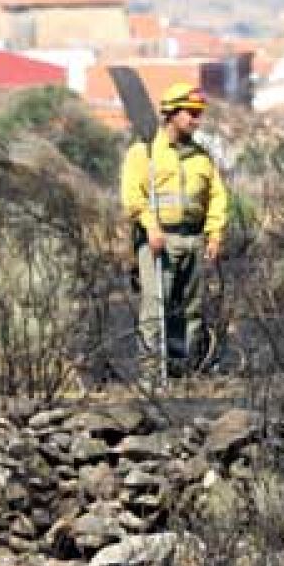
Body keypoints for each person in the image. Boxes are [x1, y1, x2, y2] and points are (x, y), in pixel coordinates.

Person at [120, 81, 229, 377]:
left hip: (194, 239)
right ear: (171, 113)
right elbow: (133, 196)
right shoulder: (144, 152)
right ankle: (153, 375)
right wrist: (151, 227)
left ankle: (183, 370)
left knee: (189, 310)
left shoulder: (202, 156)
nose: (196, 119)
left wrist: (215, 232)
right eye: (190, 113)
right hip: (159, 240)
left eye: (199, 113)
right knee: (156, 310)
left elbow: (216, 196)